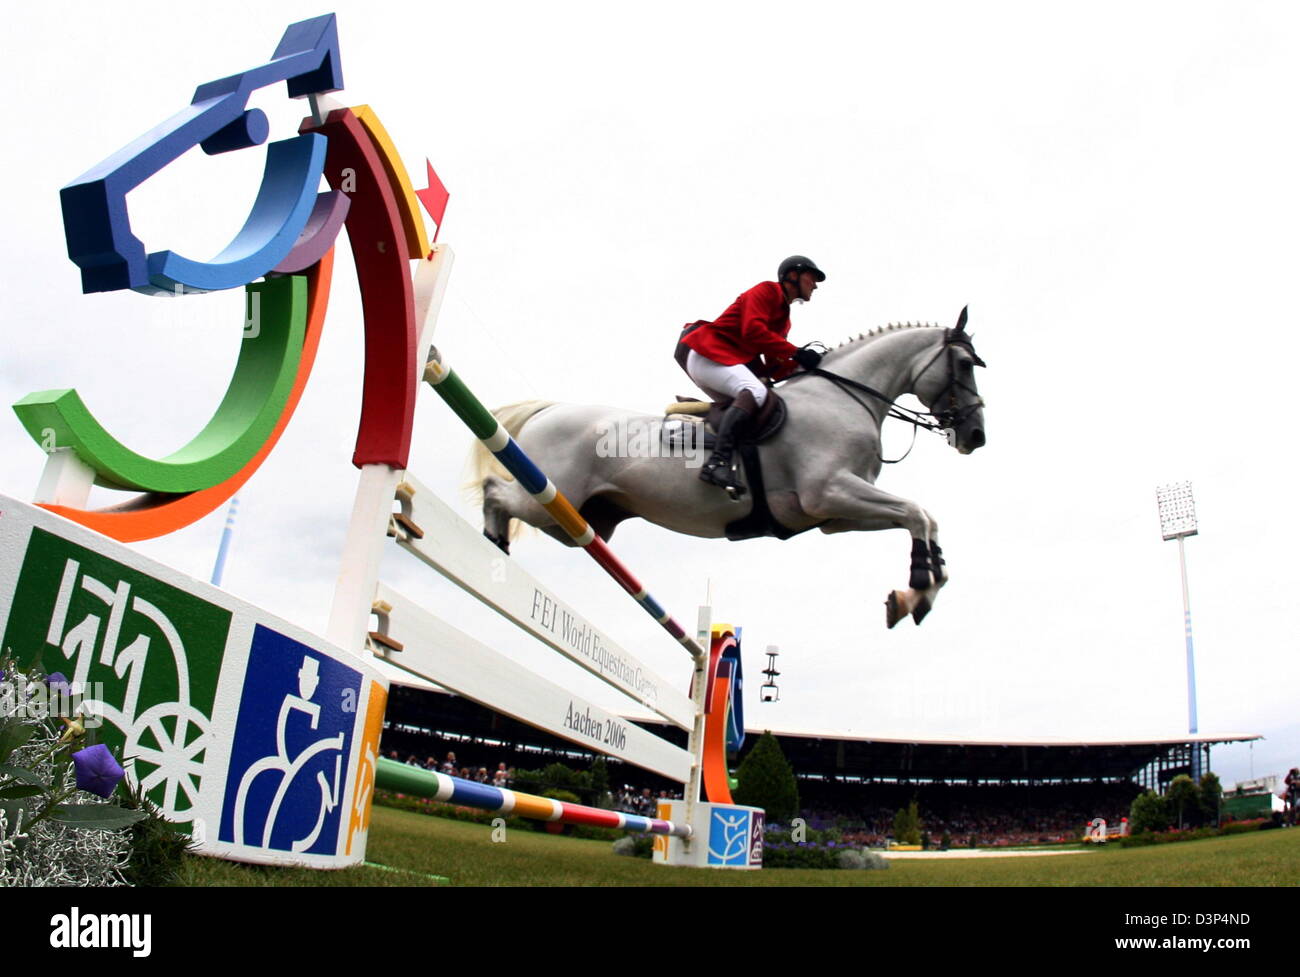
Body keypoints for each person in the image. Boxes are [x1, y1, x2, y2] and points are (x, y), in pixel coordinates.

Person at [678, 255, 826, 494]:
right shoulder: (767, 290)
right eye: (812, 277)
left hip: (721, 360)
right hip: (710, 353)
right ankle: (716, 463)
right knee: (755, 391)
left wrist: (804, 367)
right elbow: (752, 330)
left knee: (760, 400)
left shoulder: (783, 320)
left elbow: (774, 364)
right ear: (793, 275)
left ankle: (729, 458)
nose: (816, 285)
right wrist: (797, 352)